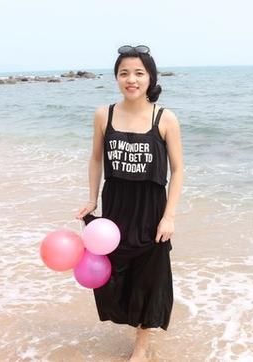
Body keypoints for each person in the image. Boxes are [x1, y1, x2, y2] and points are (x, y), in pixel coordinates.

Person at [76, 44, 183, 361]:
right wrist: (91, 199)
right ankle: (130, 322)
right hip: (116, 207)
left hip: (151, 209)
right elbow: (96, 159)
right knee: (116, 272)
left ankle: (141, 345)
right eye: (124, 73)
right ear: (116, 78)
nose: (131, 79)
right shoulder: (104, 114)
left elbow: (178, 170)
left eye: (139, 73)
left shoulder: (164, 118)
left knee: (150, 276)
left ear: (150, 78)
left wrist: (169, 216)